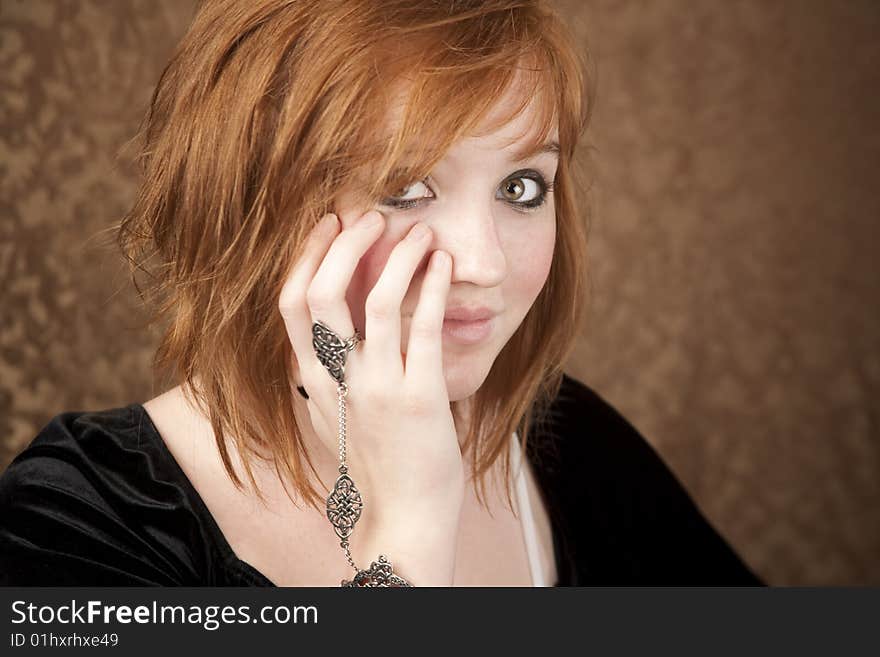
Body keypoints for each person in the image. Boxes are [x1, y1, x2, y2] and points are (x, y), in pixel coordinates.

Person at [0, 0, 763, 586]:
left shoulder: (574, 449)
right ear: (253, 200)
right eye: (405, 186)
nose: (483, 262)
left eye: (522, 185)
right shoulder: (77, 520)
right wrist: (407, 536)